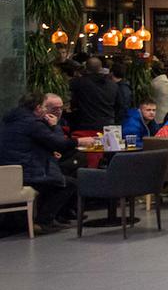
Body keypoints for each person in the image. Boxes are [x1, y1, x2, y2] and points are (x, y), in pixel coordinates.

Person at [0, 92, 97, 234]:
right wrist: (73, 137)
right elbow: (58, 144)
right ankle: (44, 222)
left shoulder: (10, 121)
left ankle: (49, 218)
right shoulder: (33, 124)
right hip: (29, 172)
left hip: (11, 173)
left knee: (61, 177)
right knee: (67, 184)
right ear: (38, 108)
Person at [69, 57, 118, 135]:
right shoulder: (113, 85)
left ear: (86, 68)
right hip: (108, 125)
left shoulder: (79, 83)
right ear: (100, 68)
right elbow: (118, 105)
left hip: (85, 125)